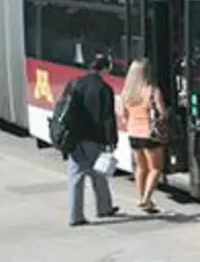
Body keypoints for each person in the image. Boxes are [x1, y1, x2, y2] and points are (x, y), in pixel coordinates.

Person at [67, 54, 121, 227]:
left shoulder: (76, 84)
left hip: (75, 138)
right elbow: (107, 118)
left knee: (76, 177)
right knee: (99, 174)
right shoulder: (104, 89)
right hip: (94, 138)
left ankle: (75, 215)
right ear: (104, 69)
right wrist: (112, 139)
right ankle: (104, 208)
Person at [120, 58, 168, 214]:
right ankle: (146, 199)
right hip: (150, 134)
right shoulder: (153, 90)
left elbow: (122, 115)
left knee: (140, 168)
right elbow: (163, 113)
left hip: (133, 134)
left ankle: (141, 197)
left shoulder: (127, 92)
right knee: (155, 168)